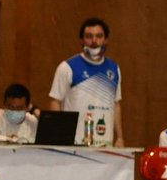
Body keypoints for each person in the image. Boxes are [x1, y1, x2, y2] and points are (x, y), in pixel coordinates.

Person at [48, 17, 124, 147]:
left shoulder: (114, 69)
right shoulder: (67, 67)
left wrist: (120, 137)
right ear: (82, 40)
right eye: (89, 36)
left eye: (99, 36)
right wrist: (60, 137)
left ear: (106, 40)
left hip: (105, 144)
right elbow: (55, 101)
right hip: (75, 144)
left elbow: (116, 104)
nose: (94, 41)